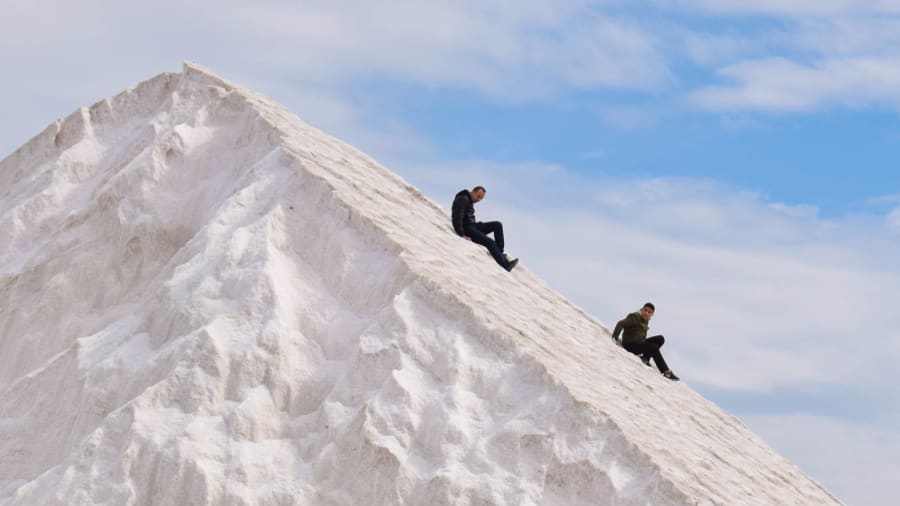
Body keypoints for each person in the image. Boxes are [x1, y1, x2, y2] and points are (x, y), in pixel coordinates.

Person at [451, 186, 518, 272]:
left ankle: (499, 253)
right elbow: (457, 218)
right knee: (489, 242)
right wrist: (462, 234)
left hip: (473, 226)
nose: (478, 200)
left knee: (497, 225)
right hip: (467, 229)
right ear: (473, 192)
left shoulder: (468, 200)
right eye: (478, 196)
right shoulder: (463, 199)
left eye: (481, 198)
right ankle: (505, 264)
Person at [612, 302, 680, 381]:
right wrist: (615, 337)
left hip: (639, 343)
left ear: (652, 314)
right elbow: (621, 323)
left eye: (649, 312)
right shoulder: (635, 317)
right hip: (630, 345)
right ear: (642, 310)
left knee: (660, 339)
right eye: (645, 310)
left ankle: (645, 358)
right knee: (653, 347)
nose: (646, 313)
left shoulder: (645, 320)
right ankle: (666, 372)